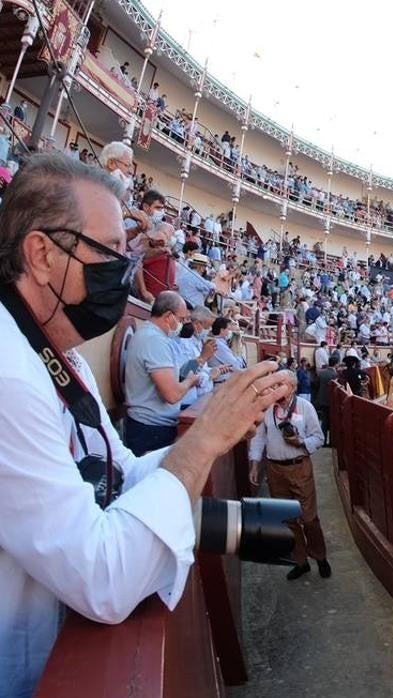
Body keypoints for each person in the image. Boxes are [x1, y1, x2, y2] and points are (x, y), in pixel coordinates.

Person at [0, 153, 293, 696]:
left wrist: (220, 433)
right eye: (109, 252)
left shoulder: (60, 360)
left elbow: (120, 473)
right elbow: (102, 577)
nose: (124, 270)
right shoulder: (9, 371)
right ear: (41, 253)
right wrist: (202, 438)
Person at [248, 372, 330, 581]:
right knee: (286, 519)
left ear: (293, 387)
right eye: (276, 385)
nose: (278, 390)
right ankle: (301, 562)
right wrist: (255, 464)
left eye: (282, 385)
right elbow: (259, 438)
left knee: (309, 519)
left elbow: (318, 438)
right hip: (274, 469)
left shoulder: (304, 406)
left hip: (299, 467)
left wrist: (300, 442)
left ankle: (320, 557)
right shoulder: (268, 407)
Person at [123, 291, 216, 455]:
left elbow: (178, 374)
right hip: (151, 428)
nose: (182, 324)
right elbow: (172, 394)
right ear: (168, 316)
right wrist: (191, 381)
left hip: (156, 423)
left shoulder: (159, 338)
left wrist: (200, 360)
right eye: (181, 319)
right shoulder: (154, 340)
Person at [313, 355, 339, 447]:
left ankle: (323, 441)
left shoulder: (322, 373)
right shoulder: (335, 374)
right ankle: (331, 441)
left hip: (322, 400)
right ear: (336, 364)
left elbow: (316, 385)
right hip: (331, 401)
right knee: (332, 422)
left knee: (324, 422)